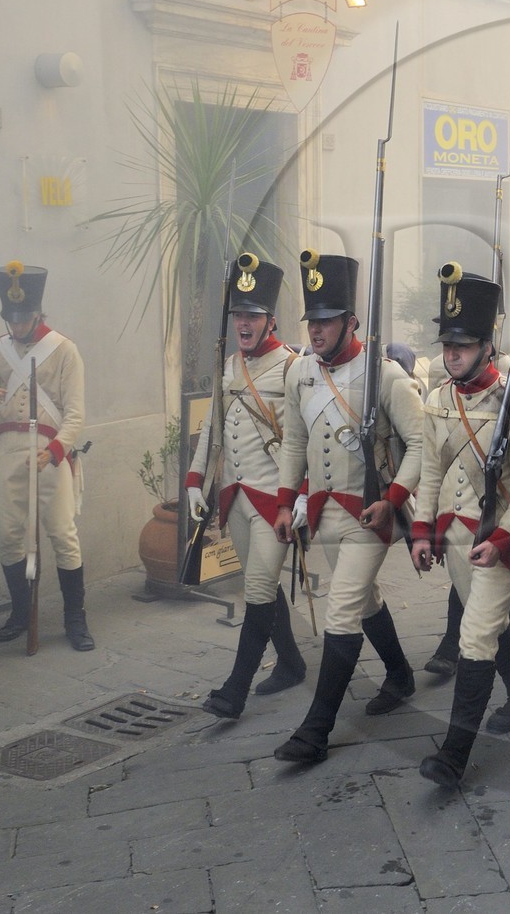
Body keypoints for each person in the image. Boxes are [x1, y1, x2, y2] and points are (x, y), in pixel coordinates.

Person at [272, 252, 425, 763]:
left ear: (350, 321)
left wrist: (394, 499)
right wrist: (285, 499)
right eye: (311, 322)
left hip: (369, 514)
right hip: (324, 514)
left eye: (326, 321)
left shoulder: (384, 376)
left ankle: (316, 730)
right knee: (363, 601)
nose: (316, 332)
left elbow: (421, 444)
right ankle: (401, 675)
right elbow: (294, 442)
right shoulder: (300, 374)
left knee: (340, 612)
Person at [414, 266, 510, 789]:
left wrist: (499, 539)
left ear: (487, 347)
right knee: (487, 621)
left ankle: (452, 756)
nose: (453, 354)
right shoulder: (440, 400)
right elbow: (429, 470)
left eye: (464, 345)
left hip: (497, 543)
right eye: (448, 344)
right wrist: (423, 529)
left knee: (473, 638)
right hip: (452, 539)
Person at [183, 258, 305, 718]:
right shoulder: (228, 363)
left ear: (271, 320)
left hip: (274, 499)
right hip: (234, 495)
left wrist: (304, 494)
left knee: (256, 586)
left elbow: (302, 438)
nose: (243, 324)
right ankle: (291, 663)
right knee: (264, 584)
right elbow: (212, 427)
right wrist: (196, 483)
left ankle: (234, 691)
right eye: (238, 315)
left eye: (252, 316)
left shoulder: (291, 368)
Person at [0, 262, 94, 652]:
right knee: (7, 533)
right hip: (8, 450)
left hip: (50, 450)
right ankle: (21, 612)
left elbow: (75, 414)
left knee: (62, 533)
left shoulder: (64, 350)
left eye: (24, 319)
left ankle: (75, 618)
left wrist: (55, 451)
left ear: (38, 314)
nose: (18, 326)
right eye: (12, 319)